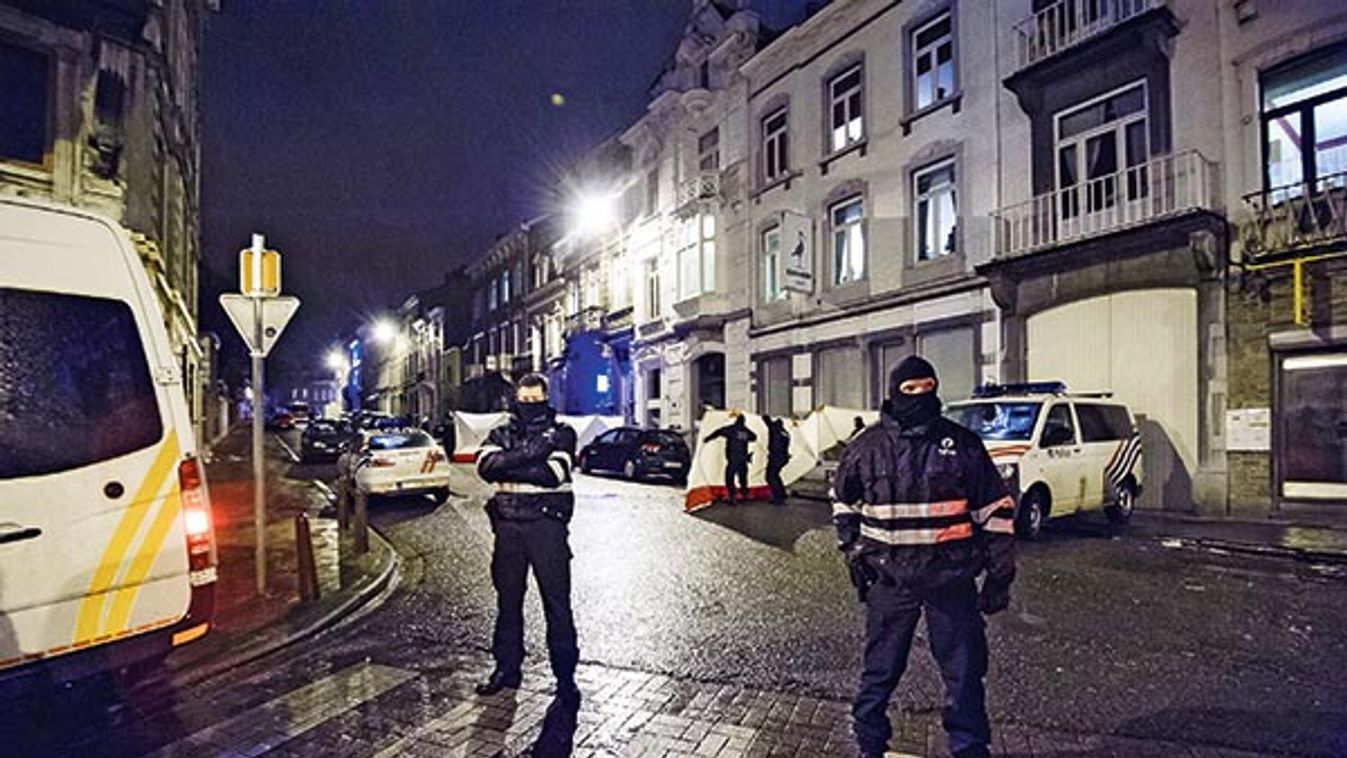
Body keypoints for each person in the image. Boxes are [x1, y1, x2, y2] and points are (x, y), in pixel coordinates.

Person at [831, 356, 1016, 758]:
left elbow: (996, 512)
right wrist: (853, 549)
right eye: (909, 389)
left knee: (965, 676)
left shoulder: (962, 445)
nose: (919, 396)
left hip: (950, 583)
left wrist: (1000, 576)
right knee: (878, 674)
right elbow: (843, 500)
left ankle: (969, 750)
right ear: (894, 391)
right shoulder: (867, 446)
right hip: (890, 582)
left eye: (926, 387)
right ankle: (870, 747)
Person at [474, 374, 580, 706]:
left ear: (546, 399)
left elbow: (553, 474)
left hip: (547, 527)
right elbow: (485, 467)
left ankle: (565, 678)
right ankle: (506, 669)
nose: (530, 406)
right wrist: (532, 452)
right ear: (515, 399)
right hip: (508, 529)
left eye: (536, 400)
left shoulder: (563, 433)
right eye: (525, 400)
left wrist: (510, 462)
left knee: (557, 605)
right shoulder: (501, 431)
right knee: (508, 603)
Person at [706, 414, 756, 503]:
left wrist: (708, 438)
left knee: (729, 477)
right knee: (743, 477)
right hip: (743, 458)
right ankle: (745, 494)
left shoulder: (731, 429)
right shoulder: (746, 431)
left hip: (733, 458)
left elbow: (719, 431)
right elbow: (754, 437)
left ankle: (732, 495)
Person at [764, 416, 791, 505]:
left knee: (770, 477)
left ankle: (778, 497)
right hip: (783, 457)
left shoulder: (774, 429)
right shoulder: (785, 433)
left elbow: (766, 420)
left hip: (776, 457)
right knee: (775, 475)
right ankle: (781, 494)